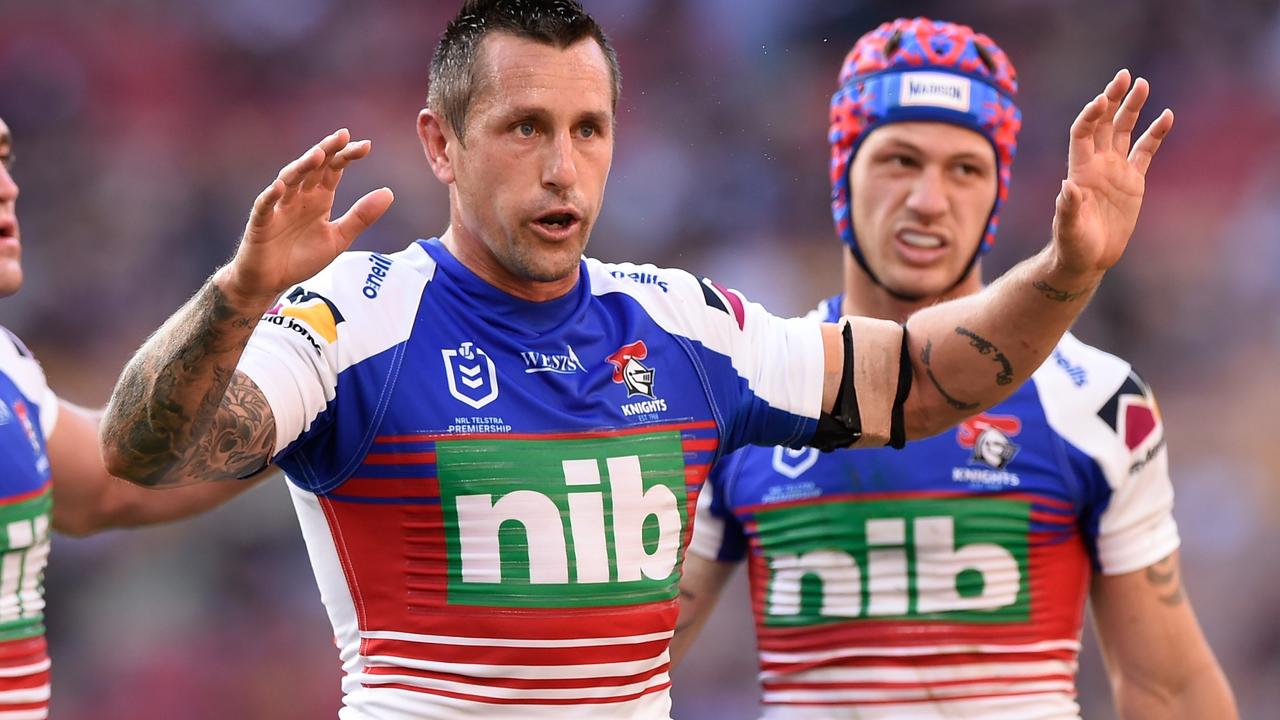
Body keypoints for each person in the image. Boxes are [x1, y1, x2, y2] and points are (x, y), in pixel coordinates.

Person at [96, 1, 1174, 718]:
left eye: (589, 129)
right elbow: (147, 451)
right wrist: (238, 294)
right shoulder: (357, 316)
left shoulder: (681, 327)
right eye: (524, 129)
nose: (563, 168)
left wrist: (1067, 268)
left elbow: (923, 380)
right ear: (439, 143)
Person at [672, 17, 1235, 720]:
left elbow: (1169, 689)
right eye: (900, 160)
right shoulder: (752, 386)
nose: (929, 201)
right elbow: (623, 657)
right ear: (843, 173)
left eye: (965, 169)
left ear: (998, 194)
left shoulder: (1096, 402)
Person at [0, 116, 271, 719]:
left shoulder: (4, 367)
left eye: (4, 158)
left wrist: (315, 400)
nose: (8, 186)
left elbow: (111, 484)